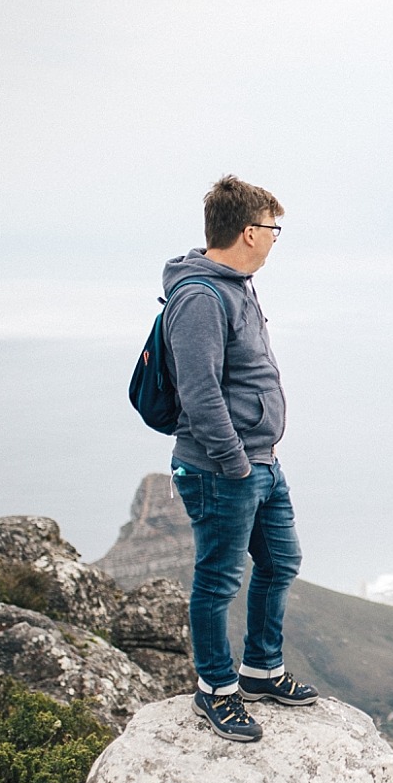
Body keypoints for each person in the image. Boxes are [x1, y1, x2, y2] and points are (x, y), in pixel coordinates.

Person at [163, 175, 317, 742]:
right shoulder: (201, 296)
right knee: (219, 579)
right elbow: (199, 392)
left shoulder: (236, 284)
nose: (277, 240)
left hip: (261, 462)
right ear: (250, 232)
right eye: (274, 230)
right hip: (223, 468)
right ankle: (217, 690)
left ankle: (260, 670)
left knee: (280, 562)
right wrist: (235, 463)